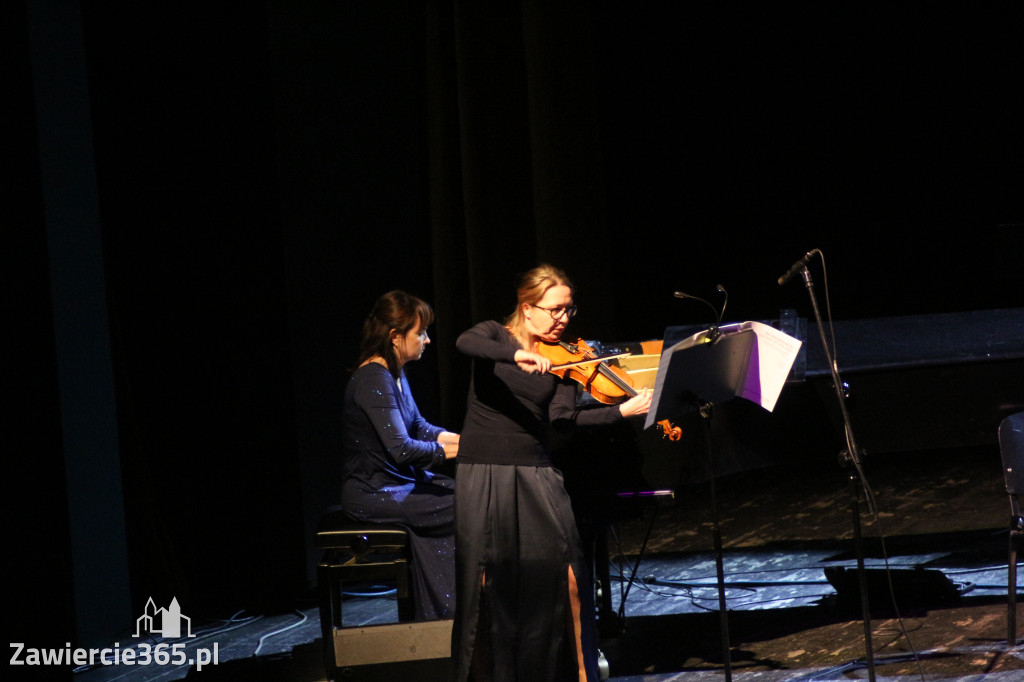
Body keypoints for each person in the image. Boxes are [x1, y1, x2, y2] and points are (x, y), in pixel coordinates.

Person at [451, 265, 652, 682]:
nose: (563, 319)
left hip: (537, 472)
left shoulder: (561, 359)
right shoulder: (494, 336)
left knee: (570, 574)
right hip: (485, 473)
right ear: (527, 308)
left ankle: (581, 674)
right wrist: (517, 354)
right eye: (555, 310)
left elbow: (562, 421)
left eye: (568, 310)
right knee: (487, 588)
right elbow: (464, 342)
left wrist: (620, 412)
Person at [340, 290, 459, 621]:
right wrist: (457, 451)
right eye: (420, 333)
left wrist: (467, 440)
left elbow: (419, 427)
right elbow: (403, 449)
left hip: (396, 485)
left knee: (464, 494)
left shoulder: (394, 372)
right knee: (467, 503)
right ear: (395, 336)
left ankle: (453, 612)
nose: (427, 340)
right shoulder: (372, 378)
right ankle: (447, 615)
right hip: (373, 493)